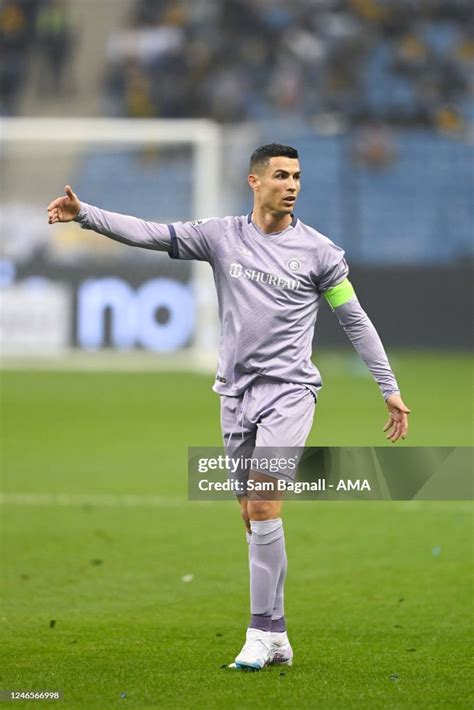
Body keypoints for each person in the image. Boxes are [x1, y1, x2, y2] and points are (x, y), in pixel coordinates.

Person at [47, 143, 410, 671]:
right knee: (250, 514)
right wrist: (87, 216)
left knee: (263, 504)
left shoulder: (320, 253)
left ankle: (259, 635)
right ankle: (279, 633)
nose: (292, 185)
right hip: (234, 394)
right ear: (255, 182)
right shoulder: (220, 237)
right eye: (282, 175)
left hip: (290, 392)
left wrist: (387, 384)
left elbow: (353, 319)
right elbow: (151, 233)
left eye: (298, 177)